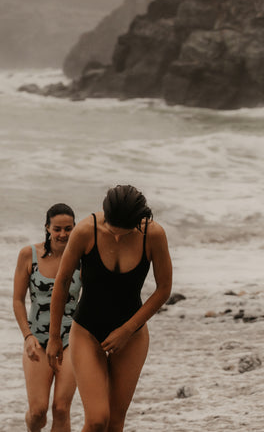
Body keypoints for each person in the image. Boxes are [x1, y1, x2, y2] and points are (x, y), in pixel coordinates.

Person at [47, 185, 172, 432]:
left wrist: (127, 330)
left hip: (132, 335)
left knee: (115, 423)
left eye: (124, 233)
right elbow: (61, 283)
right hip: (87, 332)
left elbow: (163, 289)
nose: (116, 237)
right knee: (96, 421)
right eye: (112, 229)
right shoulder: (85, 230)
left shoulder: (154, 235)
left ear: (139, 221)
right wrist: (53, 337)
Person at [13, 203, 82, 432]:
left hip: (72, 340)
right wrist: (27, 336)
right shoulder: (28, 255)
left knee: (61, 408)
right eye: (57, 228)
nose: (63, 234)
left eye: (68, 228)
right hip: (38, 339)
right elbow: (17, 300)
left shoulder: (83, 260)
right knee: (38, 412)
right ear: (47, 228)